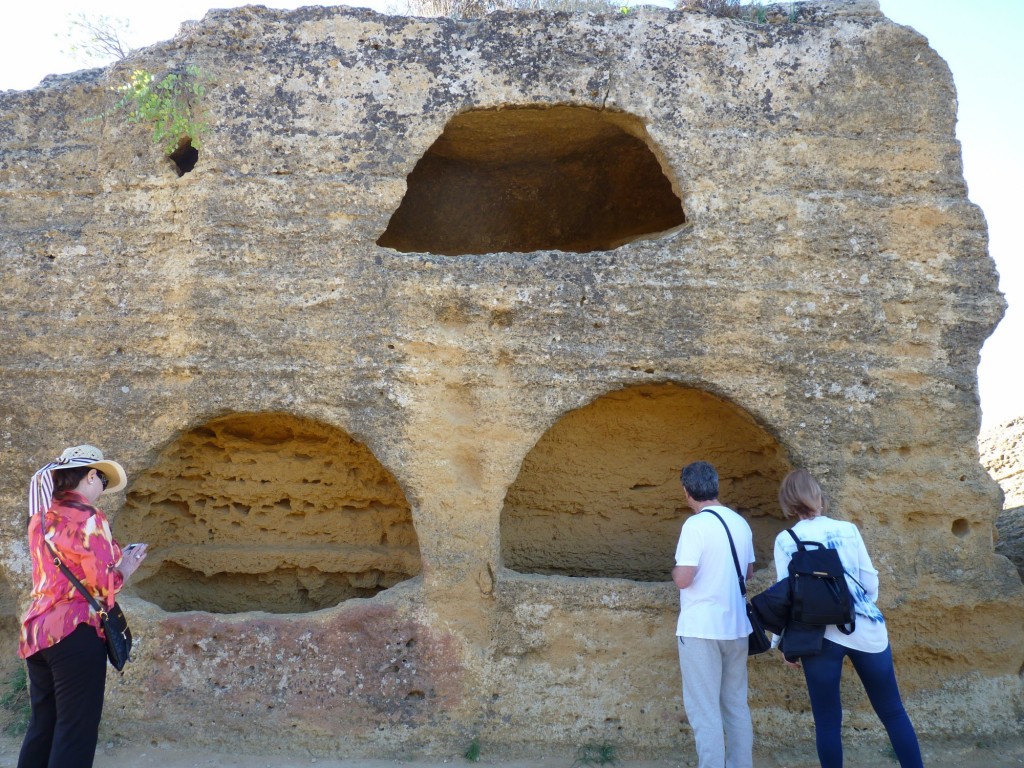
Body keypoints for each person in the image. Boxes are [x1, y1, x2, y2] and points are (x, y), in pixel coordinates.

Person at [773, 469, 923, 768]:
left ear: (788, 503)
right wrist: (856, 606)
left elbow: (785, 596)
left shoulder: (785, 540)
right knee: (892, 711)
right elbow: (869, 581)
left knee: (827, 721)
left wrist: (783, 643)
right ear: (818, 497)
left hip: (818, 636)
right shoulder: (848, 529)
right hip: (864, 626)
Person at [17, 445, 148, 768]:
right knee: (76, 730)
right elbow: (102, 584)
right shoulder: (89, 517)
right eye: (102, 481)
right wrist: (126, 570)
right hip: (75, 631)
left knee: (42, 727)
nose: (102, 489)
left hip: (37, 634)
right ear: (90, 475)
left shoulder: (41, 517)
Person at [672, 461, 754, 768]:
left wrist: (674, 569)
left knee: (704, 710)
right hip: (736, 627)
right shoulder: (740, 523)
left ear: (686, 492)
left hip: (701, 630)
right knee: (735, 705)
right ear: (716, 485)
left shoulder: (695, 525)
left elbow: (683, 578)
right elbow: (748, 572)